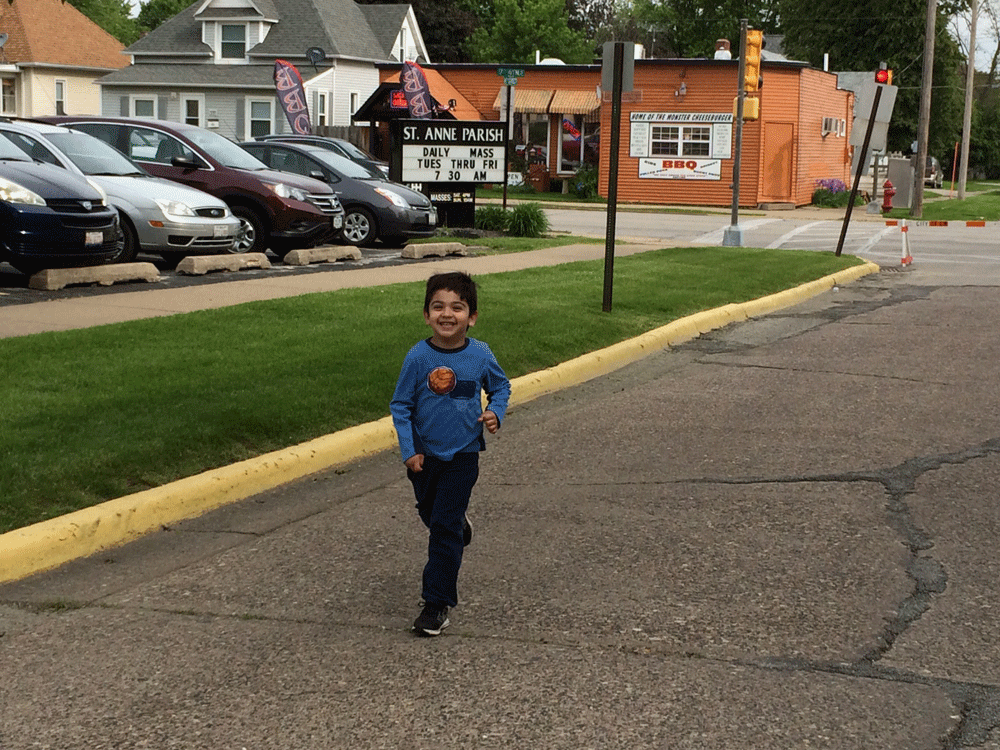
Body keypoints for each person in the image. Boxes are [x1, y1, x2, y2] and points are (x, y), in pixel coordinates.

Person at [390, 272, 511, 636]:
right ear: (426, 315)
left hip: (463, 454)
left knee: (442, 527)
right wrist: (409, 449)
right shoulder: (418, 356)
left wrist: (495, 411)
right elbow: (401, 405)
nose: (447, 314)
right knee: (431, 513)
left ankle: (436, 604)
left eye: (457, 308)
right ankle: (458, 526)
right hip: (424, 456)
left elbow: (501, 387)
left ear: (471, 317)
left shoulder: (480, 354)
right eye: (438, 306)